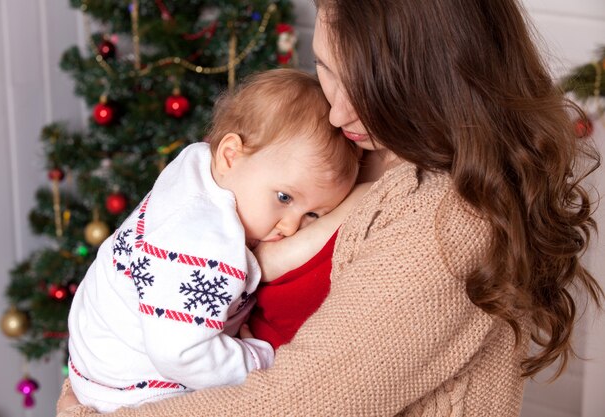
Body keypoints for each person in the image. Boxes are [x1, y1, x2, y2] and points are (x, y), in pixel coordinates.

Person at [57, 0, 603, 415]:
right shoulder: (344, 145)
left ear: (436, 79)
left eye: (368, 87)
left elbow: (296, 403)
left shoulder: (452, 221)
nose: (338, 109)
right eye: (325, 67)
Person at [66, 68, 359, 413]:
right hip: (131, 388)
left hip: (98, 357)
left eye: (314, 215)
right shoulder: (207, 242)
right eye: (283, 197)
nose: (292, 226)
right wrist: (260, 358)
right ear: (230, 155)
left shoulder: (198, 168)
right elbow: (180, 352)